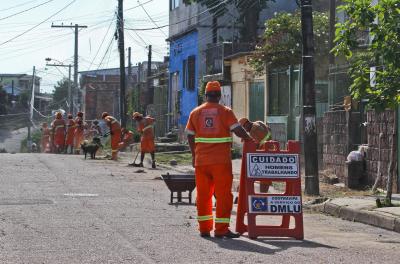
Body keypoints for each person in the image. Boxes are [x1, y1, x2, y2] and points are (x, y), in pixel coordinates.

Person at [185, 81, 252, 239]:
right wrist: (249, 139)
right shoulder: (225, 111)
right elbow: (237, 129)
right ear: (219, 96)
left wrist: (194, 154)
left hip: (201, 162)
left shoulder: (195, 112)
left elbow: (189, 134)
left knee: (203, 195)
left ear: (206, 95)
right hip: (220, 162)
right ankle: (221, 229)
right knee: (223, 196)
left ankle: (204, 229)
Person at [239, 117, 273, 193]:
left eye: (244, 128)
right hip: (270, 149)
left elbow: (253, 145)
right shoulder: (259, 122)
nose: (245, 130)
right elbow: (269, 130)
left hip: (264, 153)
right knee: (266, 175)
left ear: (246, 124)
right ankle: (263, 194)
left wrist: (246, 140)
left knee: (262, 176)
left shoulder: (253, 131)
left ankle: (262, 195)